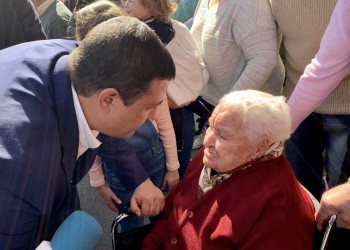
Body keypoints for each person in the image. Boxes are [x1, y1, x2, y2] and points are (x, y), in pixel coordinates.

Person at [0, 16, 176, 249]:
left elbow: (105, 125)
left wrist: (139, 180)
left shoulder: (86, 61)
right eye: (148, 107)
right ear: (109, 99)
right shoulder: (26, 166)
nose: (153, 116)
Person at [142, 90, 315, 249]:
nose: (206, 141)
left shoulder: (279, 210)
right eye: (210, 126)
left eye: (223, 135)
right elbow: (172, 211)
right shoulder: (213, 157)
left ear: (261, 146)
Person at [71, 0, 180, 232]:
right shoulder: (92, 100)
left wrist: (172, 167)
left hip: (155, 161)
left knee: (161, 217)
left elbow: (164, 125)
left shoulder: (144, 86)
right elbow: (95, 143)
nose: (149, 114)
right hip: (118, 174)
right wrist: (99, 183)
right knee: (129, 218)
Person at [270, 0, 350, 201]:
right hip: (297, 102)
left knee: (337, 196)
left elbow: (330, 63)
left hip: (343, 109)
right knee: (300, 188)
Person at [122, 0, 209, 177]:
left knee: (177, 152)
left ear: (151, 4)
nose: (124, 4)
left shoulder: (148, 41)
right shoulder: (173, 26)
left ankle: (180, 182)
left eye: (130, 0)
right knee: (178, 149)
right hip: (178, 105)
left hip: (174, 109)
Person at [189, 0, 285, 150]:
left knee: (245, 166)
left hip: (249, 110)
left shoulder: (248, 5)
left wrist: (228, 106)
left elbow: (264, 60)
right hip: (216, 102)